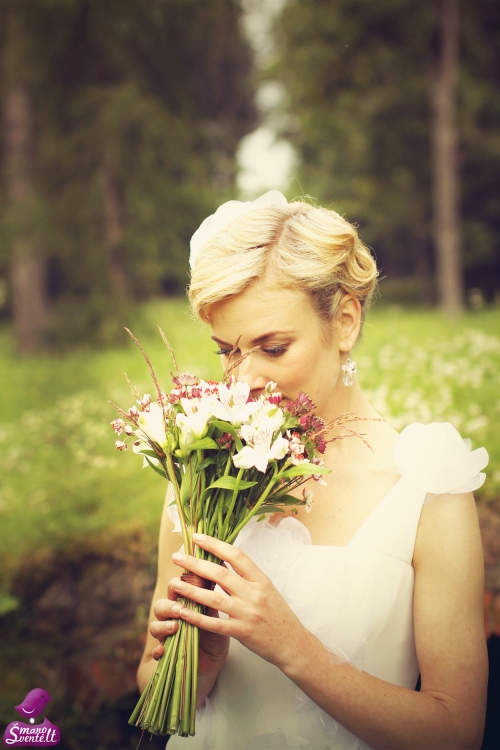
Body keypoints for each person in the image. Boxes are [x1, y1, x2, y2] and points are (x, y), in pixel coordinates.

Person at [136, 191, 489, 750]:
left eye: (272, 347)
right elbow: (157, 695)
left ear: (344, 321)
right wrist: (194, 665)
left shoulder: (427, 491)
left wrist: (293, 647)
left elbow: (458, 731)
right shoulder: (200, 473)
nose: (243, 379)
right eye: (227, 350)